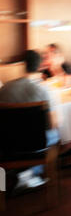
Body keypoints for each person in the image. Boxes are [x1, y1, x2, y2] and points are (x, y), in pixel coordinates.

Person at [0, 50, 60, 189]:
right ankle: (30, 173)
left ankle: (21, 171)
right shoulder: (44, 91)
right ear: (40, 67)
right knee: (54, 133)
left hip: (7, 145)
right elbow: (53, 124)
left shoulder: (4, 89)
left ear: (23, 65)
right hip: (36, 146)